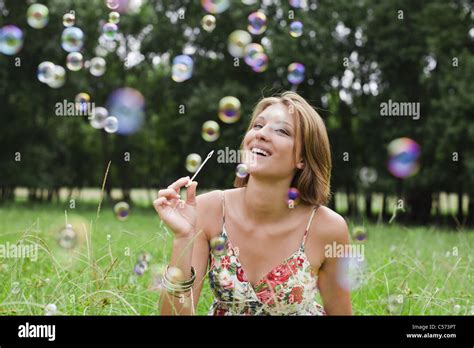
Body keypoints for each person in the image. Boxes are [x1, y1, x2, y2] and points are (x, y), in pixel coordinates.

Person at [154, 91, 352, 315]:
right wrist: (183, 238)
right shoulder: (209, 210)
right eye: (258, 125)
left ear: (303, 158)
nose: (261, 134)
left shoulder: (328, 228)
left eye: (281, 130)